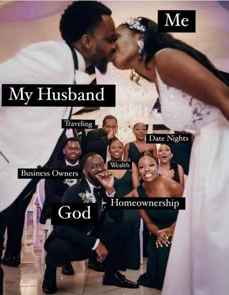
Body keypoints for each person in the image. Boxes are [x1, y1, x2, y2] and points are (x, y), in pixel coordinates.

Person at [0, 2, 117, 294]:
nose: (113, 47)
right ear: (87, 41)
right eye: (109, 38)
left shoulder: (73, 72)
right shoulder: (54, 56)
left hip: (12, 181)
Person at [112, 16, 229, 295]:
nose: (110, 44)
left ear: (139, 37)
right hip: (206, 149)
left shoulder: (165, 58)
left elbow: (225, 97)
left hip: (221, 146)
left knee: (217, 235)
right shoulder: (156, 76)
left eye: (116, 36)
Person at [42, 153, 139, 293]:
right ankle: (49, 276)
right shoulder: (74, 191)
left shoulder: (105, 188)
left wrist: (110, 190)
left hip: (93, 236)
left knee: (124, 226)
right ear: (85, 171)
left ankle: (111, 274)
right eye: (93, 167)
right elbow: (62, 229)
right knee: (57, 247)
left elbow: (118, 217)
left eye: (100, 165)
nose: (99, 169)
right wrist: (95, 243)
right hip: (73, 240)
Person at [127, 154, 183, 289]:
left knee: (166, 251)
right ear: (138, 172)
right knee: (159, 253)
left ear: (158, 167)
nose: (146, 169)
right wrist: (159, 233)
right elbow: (149, 223)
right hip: (158, 232)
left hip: (180, 227)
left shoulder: (172, 186)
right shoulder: (137, 194)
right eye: (141, 167)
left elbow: (188, 213)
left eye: (151, 165)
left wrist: (171, 230)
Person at [108, 139, 140, 269]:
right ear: (109, 151)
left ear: (123, 150)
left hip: (129, 201)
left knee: (131, 219)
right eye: (113, 147)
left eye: (120, 147)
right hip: (111, 202)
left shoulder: (131, 165)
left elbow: (137, 188)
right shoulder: (104, 166)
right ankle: (114, 260)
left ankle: (130, 261)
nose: (117, 150)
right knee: (111, 219)